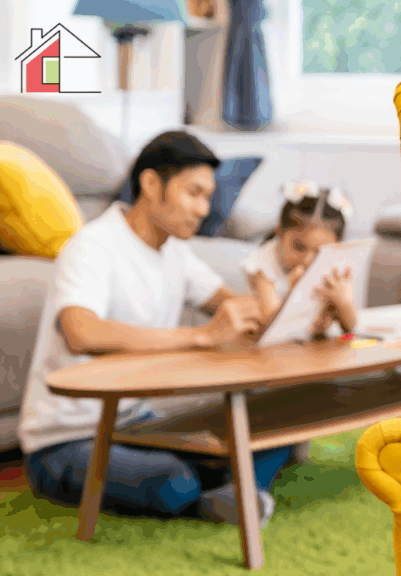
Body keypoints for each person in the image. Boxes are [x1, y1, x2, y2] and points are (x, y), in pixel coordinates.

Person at [19, 131, 293, 527]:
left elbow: (233, 306)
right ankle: (227, 491)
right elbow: (82, 332)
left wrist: (300, 307)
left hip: (136, 423)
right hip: (65, 441)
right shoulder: (93, 246)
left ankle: (231, 491)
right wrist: (200, 337)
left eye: (207, 197)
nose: (204, 209)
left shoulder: (176, 252)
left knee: (275, 421)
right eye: (193, 193)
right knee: (172, 480)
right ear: (151, 184)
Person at [242, 180, 358, 338]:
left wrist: (342, 302)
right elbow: (271, 329)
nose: (307, 260)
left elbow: (350, 326)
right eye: (298, 246)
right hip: (271, 352)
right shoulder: (263, 266)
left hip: (317, 350)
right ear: (280, 232)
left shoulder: (334, 267)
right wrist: (294, 293)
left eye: (320, 252)